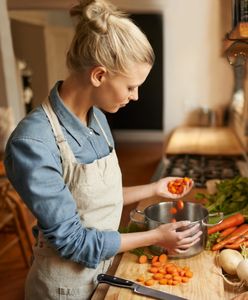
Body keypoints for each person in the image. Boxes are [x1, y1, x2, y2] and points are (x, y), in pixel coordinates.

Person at [4, 0, 202, 299]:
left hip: (105, 273)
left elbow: (93, 202)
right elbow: (72, 241)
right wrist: (155, 236)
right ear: (99, 75)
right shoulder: (32, 143)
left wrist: (155, 188)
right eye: (130, 87)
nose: (135, 97)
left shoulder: (97, 118)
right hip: (64, 288)